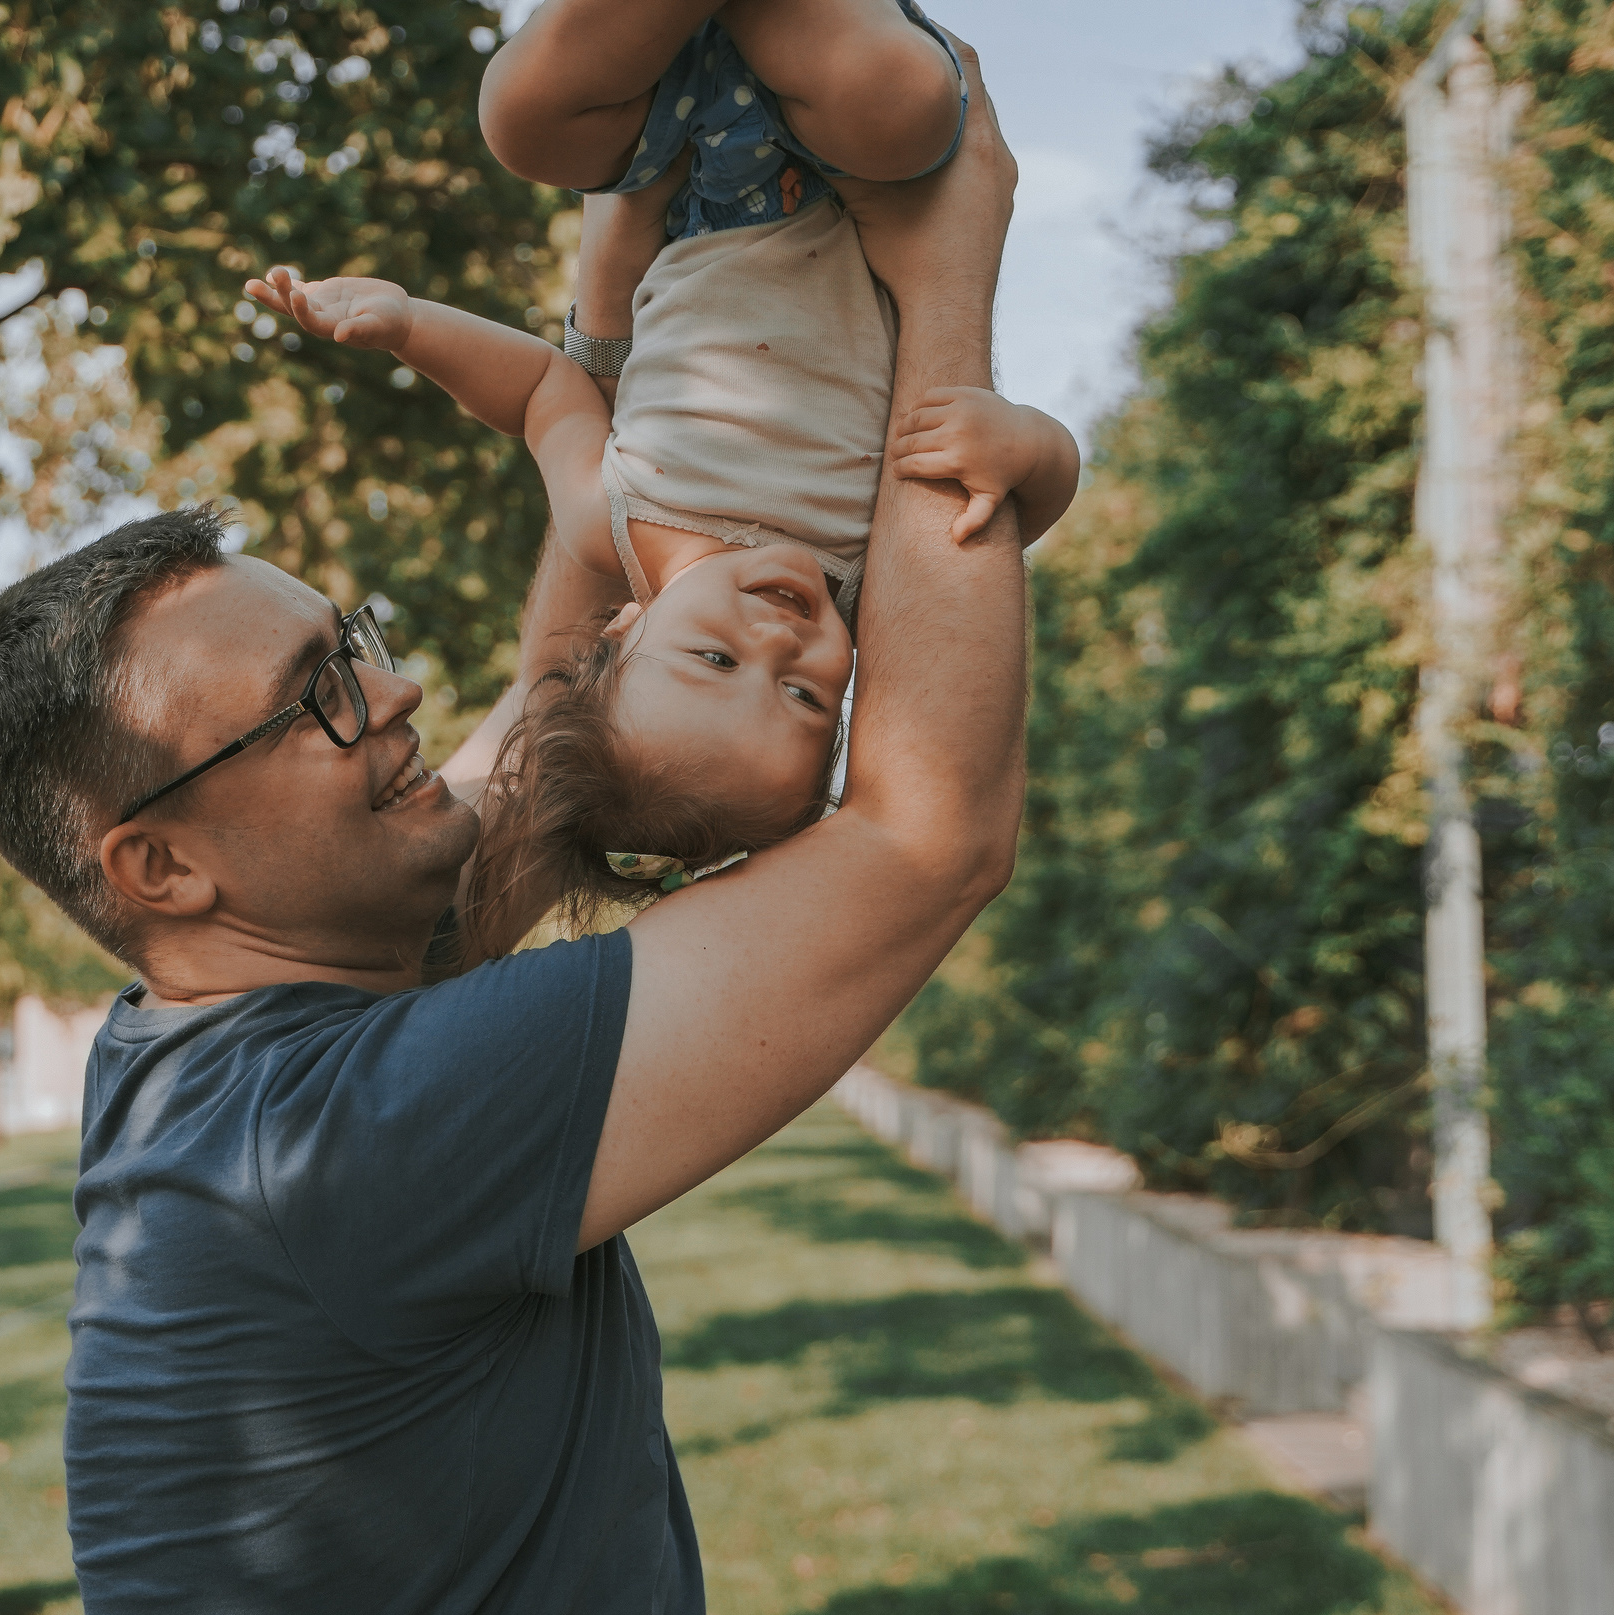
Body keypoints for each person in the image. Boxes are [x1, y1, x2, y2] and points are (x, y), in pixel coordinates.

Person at [0, 38, 1024, 1615]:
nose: (399, 694)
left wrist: (618, 324)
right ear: (159, 865)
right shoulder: (358, 1134)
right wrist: (948, 276)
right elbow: (925, 833)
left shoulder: (221, 1053)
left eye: (346, 642)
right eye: (317, 699)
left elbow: (564, 699)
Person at [243, 2, 1077, 959]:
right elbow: (1002, 515)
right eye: (809, 700)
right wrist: (1025, 449)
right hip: (851, 178)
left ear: (620, 631)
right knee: (909, 102)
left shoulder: (613, 524)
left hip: (687, 188)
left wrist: (409, 327)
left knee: (518, 116)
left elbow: (543, 392)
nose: (781, 644)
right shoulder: (869, 583)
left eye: (717, 661)